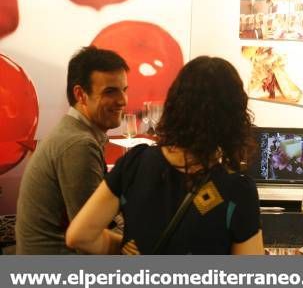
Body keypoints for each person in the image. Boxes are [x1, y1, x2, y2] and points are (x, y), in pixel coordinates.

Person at [66, 56, 264, 254]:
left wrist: (127, 247)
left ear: (175, 104)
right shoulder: (237, 190)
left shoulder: (135, 162)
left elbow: (78, 236)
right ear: (234, 118)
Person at [16, 46, 129, 254]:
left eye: (124, 90)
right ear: (81, 94)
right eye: (110, 91)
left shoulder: (73, 132)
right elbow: (90, 239)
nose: (123, 100)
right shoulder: (79, 145)